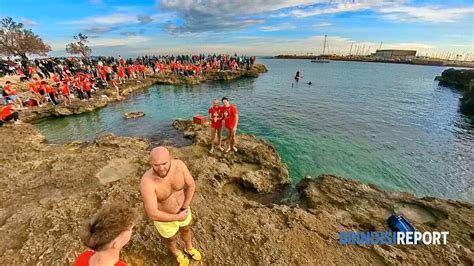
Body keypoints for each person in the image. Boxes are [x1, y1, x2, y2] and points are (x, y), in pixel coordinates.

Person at [140, 147, 201, 266]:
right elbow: (152, 214)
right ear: (150, 163)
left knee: (187, 229)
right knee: (171, 239)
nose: (161, 168)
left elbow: (191, 185)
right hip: (164, 218)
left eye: (164, 163)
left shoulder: (179, 165)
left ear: (171, 158)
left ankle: (189, 247)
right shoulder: (147, 182)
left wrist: (185, 207)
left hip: (184, 209)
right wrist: (178, 217)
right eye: (156, 165)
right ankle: (176, 253)